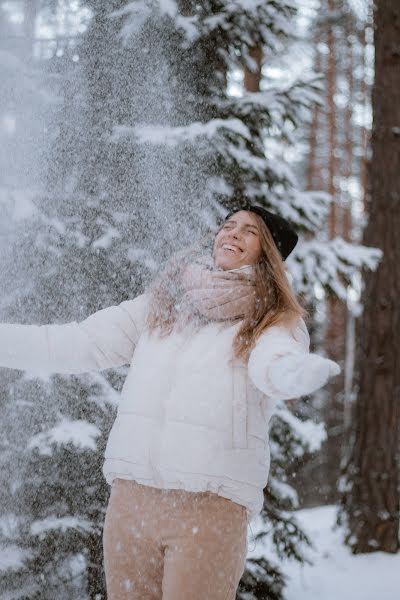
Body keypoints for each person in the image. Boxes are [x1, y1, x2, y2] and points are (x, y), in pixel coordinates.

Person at [0, 206, 340, 599]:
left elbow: (273, 360)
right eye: (228, 225)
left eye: (249, 232)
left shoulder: (273, 319)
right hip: (131, 504)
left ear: (269, 253)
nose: (231, 234)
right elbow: (78, 342)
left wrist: (292, 374)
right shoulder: (161, 304)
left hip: (209, 508)